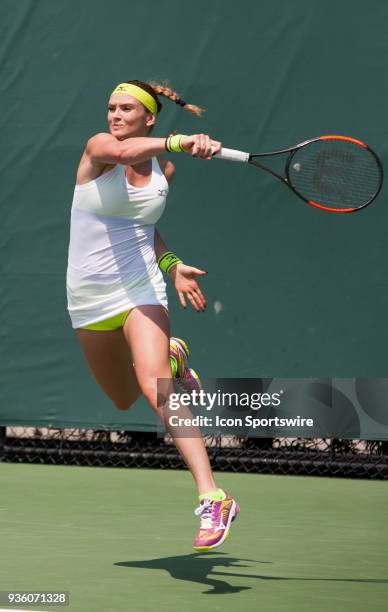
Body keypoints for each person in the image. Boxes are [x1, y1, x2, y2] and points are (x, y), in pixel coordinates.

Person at [66, 80, 239, 550]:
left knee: (152, 387)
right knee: (121, 398)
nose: (115, 116)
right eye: (111, 107)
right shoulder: (100, 149)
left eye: (126, 109)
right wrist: (181, 142)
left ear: (149, 116)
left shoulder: (163, 170)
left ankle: (213, 496)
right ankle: (175, 357)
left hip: (141, 289)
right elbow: (123, 154)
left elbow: (143, 230)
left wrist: (172, 266)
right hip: (87, 299)